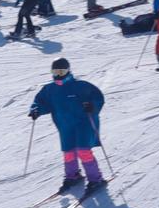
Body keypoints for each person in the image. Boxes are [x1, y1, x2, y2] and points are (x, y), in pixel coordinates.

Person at [29, 58, 107, 195]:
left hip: (84, 123)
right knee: (69, 152)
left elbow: (97, 97)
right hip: (65, 125)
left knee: (83, 150)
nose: (58, 75)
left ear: (68, 71)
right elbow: (41, 102)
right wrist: (36, 109)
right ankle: (73, 175)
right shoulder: (50, 89)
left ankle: (96, 179)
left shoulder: (81, 86)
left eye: (61, 71)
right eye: (55, 72)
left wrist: (92, 106)